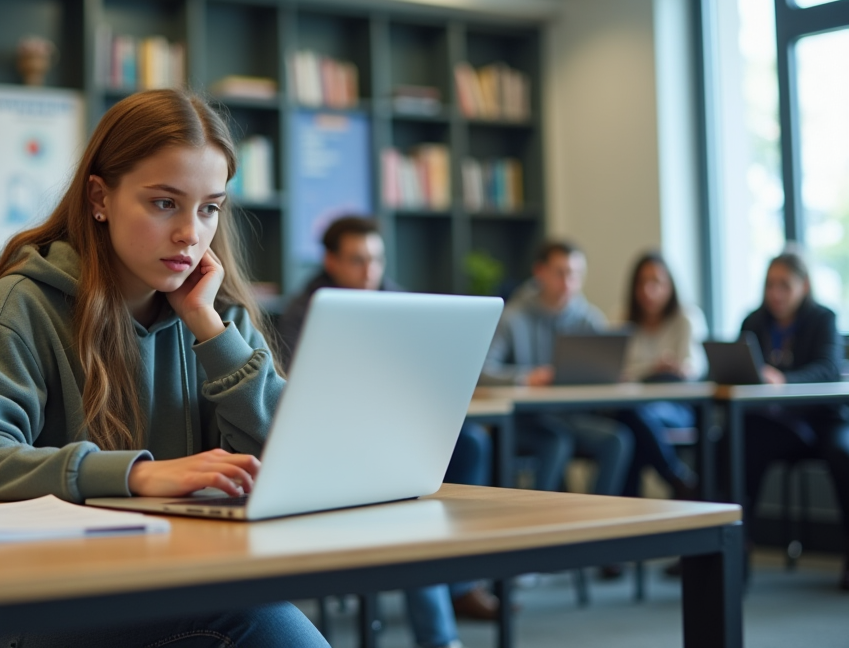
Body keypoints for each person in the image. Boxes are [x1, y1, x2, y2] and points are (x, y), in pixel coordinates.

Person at [0, 90, 329, 648]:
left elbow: (289, 460)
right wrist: (133, 476)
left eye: (209, 207)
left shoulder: (217, 315)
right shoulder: (24, 304)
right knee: (243, 614)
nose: (191, 232)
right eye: (165, 203)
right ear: (100, 197)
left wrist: (210, 332)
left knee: (237, 606)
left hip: (142, 587)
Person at [279, 215, 499, 639]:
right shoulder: (302, 311)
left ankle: (457, 576)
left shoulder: (396, 299)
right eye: (358, 260)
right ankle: (443, 623)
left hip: (393, 430)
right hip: (333, 440)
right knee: (411, 510)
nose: (370, 272)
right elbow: (293, 388)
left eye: (377, 260)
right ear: (330, 261)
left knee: (469, 443)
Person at [481, 240, 634, 500]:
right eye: (560, 273)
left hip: (570, 417)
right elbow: (483, 371)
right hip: (526, 420)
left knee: (617, 440)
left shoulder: (587, 317)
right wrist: (526, 378)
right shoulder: (512, 316)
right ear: (539, 272)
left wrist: (613, 375)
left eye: (575, 275)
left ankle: (598, 523)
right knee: (556, 441)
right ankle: (541, 523)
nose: (568, 283)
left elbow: (609, 364)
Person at [738, 251, 849, 590]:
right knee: (736, 443)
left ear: (805, 286)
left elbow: (828, 369)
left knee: (843, 453)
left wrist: (784, 380)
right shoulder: (754, 322)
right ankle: (734, 546)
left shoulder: (823, 318)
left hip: (823, 420)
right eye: (770, 285)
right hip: (779, 424)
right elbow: (738, 367)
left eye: (784, 285)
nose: (776, 294)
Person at [616, 251, 707, 500]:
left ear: (670, 286)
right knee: (628, 425)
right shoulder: (624, 322)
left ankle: (629, 509)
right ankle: (676, 477)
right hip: (634, 407)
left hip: (676, 407)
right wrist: (652, 369)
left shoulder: (686, 319)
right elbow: (615, 371)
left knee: (631, 422)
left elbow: (694, 368)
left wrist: (672, 369)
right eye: (642, 282)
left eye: (656, 282)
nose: (648, 290)